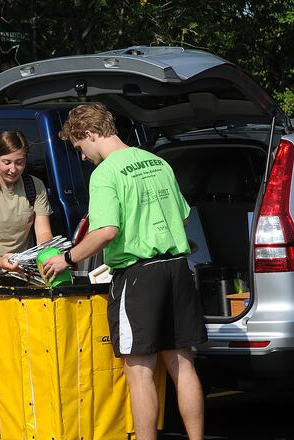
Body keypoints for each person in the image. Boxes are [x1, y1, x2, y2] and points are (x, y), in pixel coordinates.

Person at [41, 103, 207, 440]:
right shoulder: (158, 162)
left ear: (89, 133)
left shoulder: (105, 173)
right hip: (177, 268)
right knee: (183, 366)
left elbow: (106, 232)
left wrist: (67, 258)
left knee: (140, 372)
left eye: (78, 148)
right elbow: (184, 216)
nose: (83, 157)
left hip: (140, 275)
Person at [0, 130, 53, 279]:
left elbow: (43, 233)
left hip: (23, 274)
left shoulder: (36, 186)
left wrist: (46, 256)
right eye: (7, 162)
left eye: (20, 163)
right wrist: (0, 262)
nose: (13, 169)